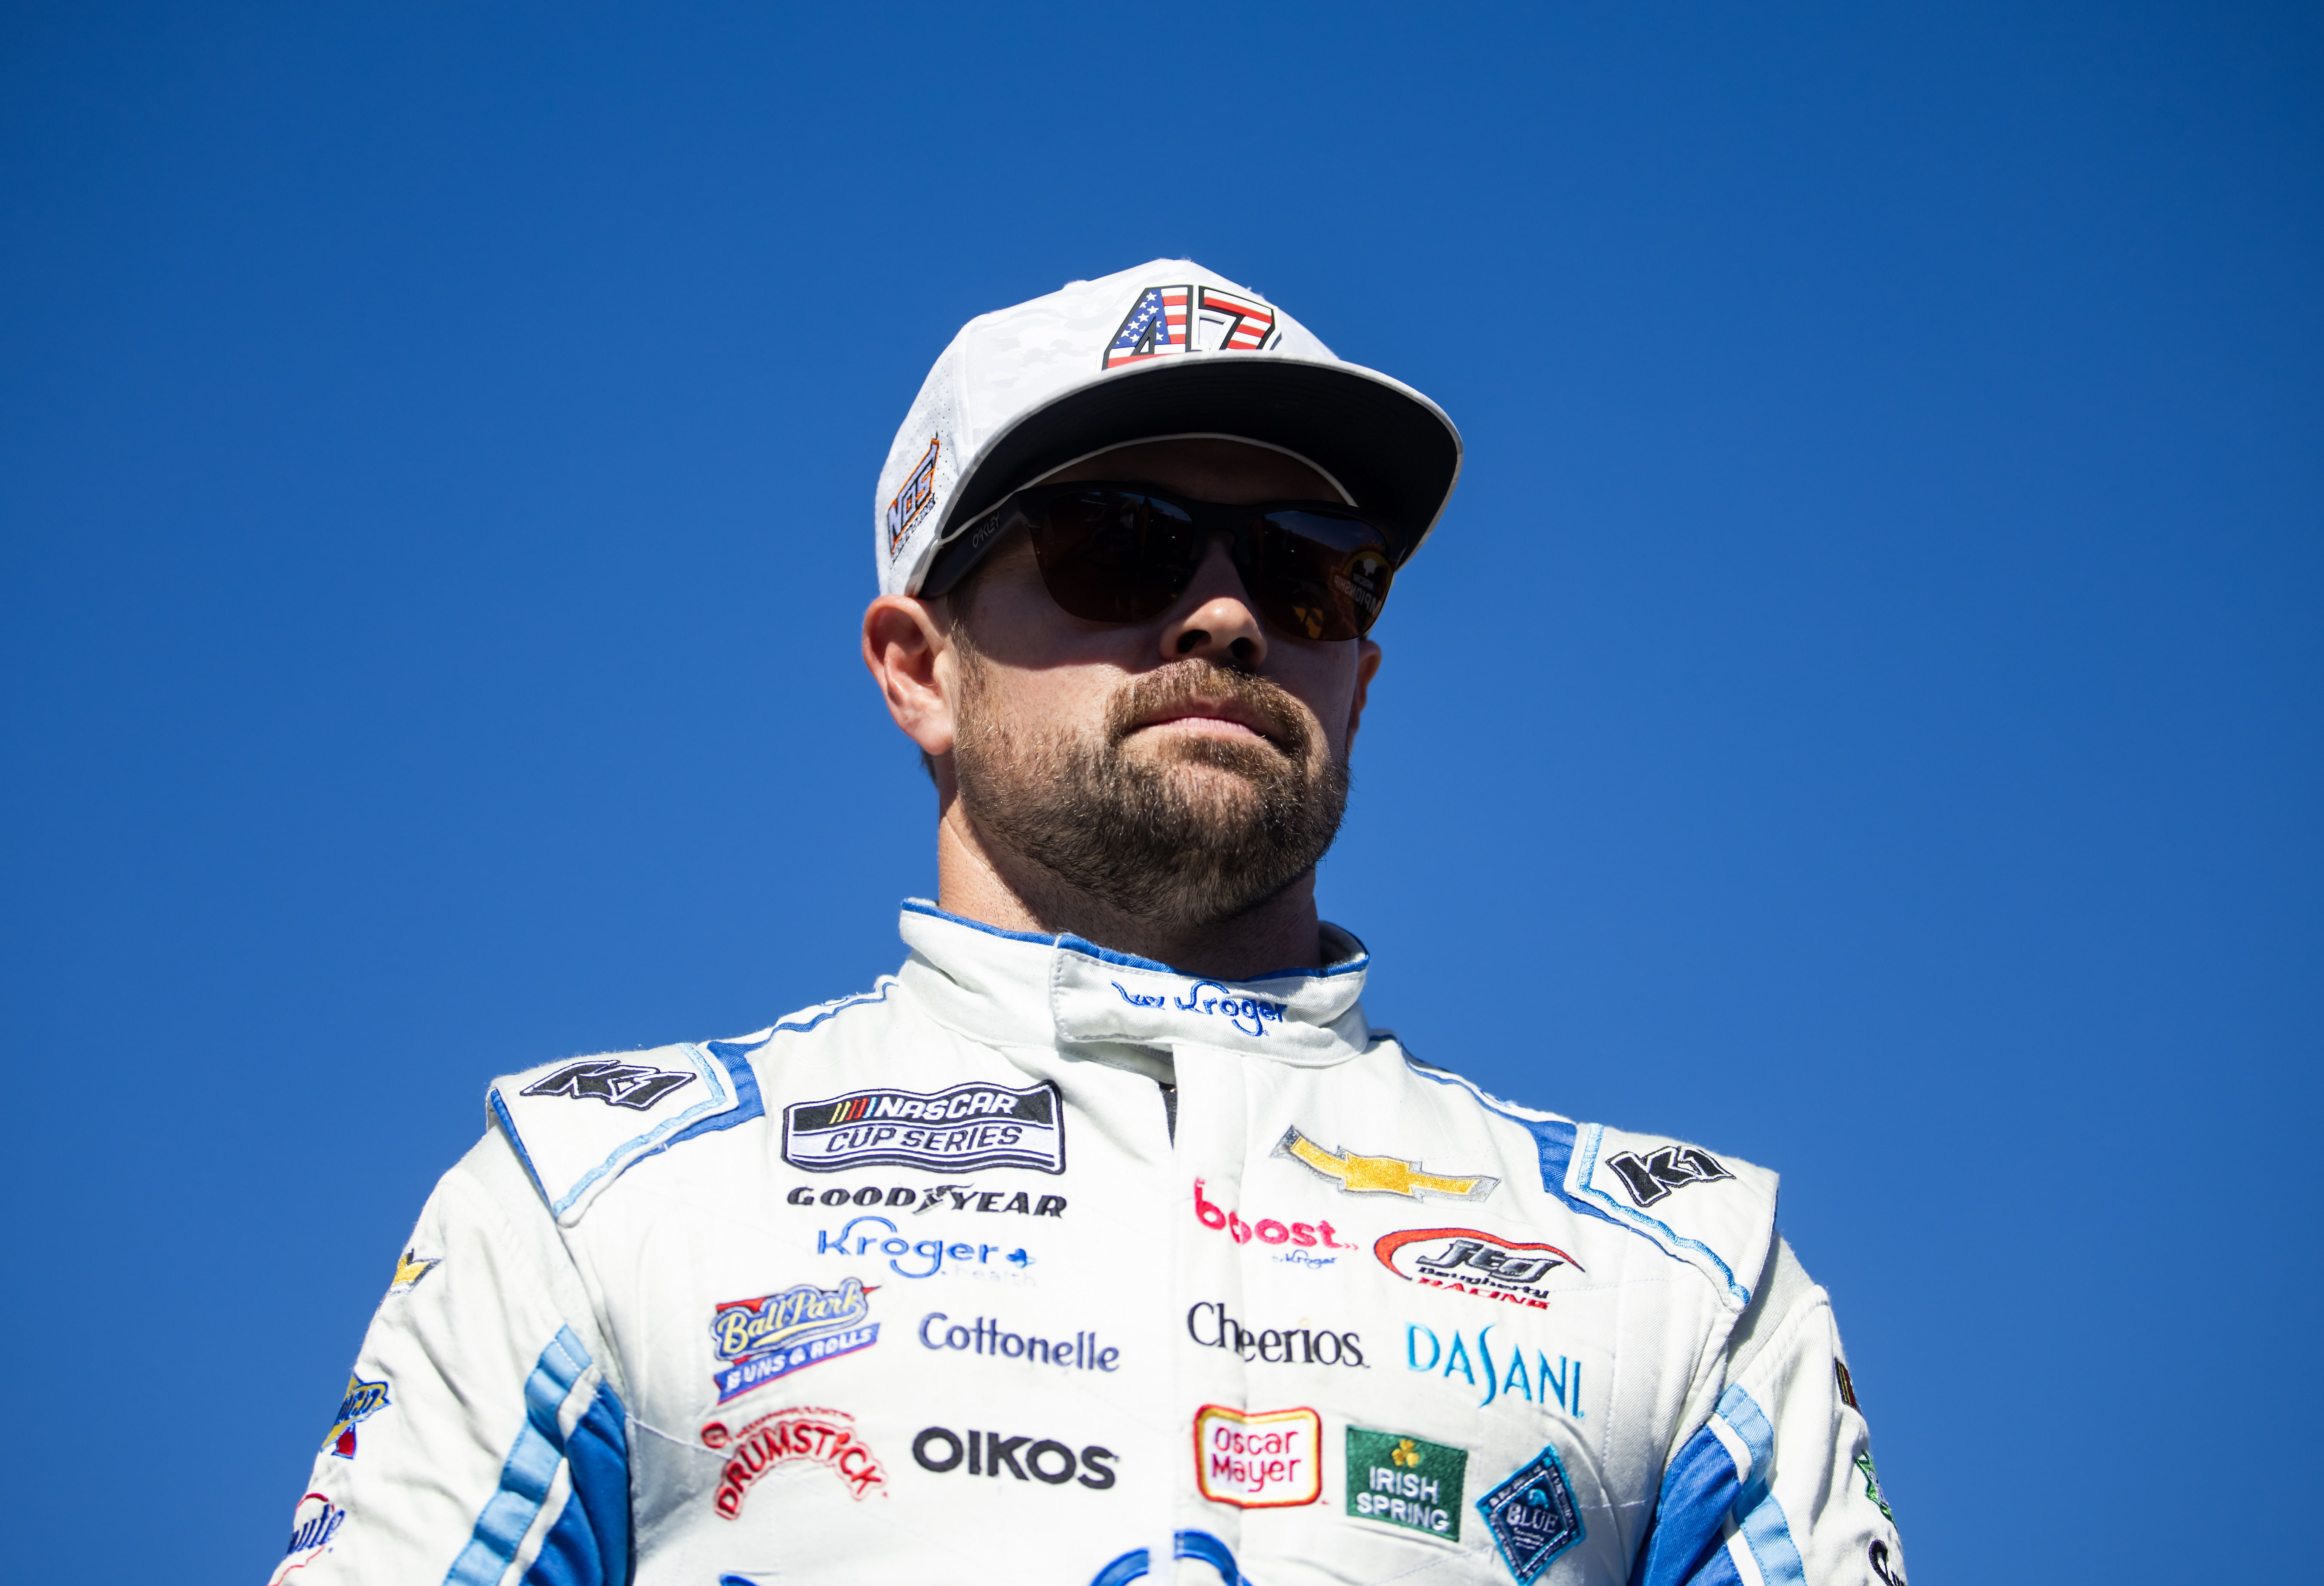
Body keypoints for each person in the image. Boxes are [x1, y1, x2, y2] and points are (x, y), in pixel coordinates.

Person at [266, 260, 1909, 1586]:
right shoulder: (595, 1198)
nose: (1224, 614)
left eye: (1309, 569)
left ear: (1362, 671)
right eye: (1115, 543)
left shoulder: (1679, 1273)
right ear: (918, 669)